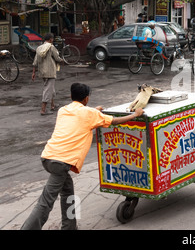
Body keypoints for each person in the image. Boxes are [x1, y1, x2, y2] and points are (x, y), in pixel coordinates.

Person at [21, 83, 145, 230]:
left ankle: (70, 226)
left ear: (71, 96)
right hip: (60, 162)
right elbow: (114, 121)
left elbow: (80, 116)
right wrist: (135, 115)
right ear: (86, 98)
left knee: (68, 191)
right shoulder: (90, 114)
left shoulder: (63, 110)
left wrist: (93, 110)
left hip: (48, 157)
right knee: (46, 201)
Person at [32, 33, 64, 115]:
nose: (52, 40)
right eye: (52, 39)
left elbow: (35, 61)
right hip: (50, 71)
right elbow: (57, 57)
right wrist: (62, 60)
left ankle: (52, 105)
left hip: (42, 71)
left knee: (50, 88)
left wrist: (33, 72)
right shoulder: (51, 47)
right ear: (50, 39)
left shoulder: (39, 48)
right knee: (48, 89)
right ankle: (43, 109)